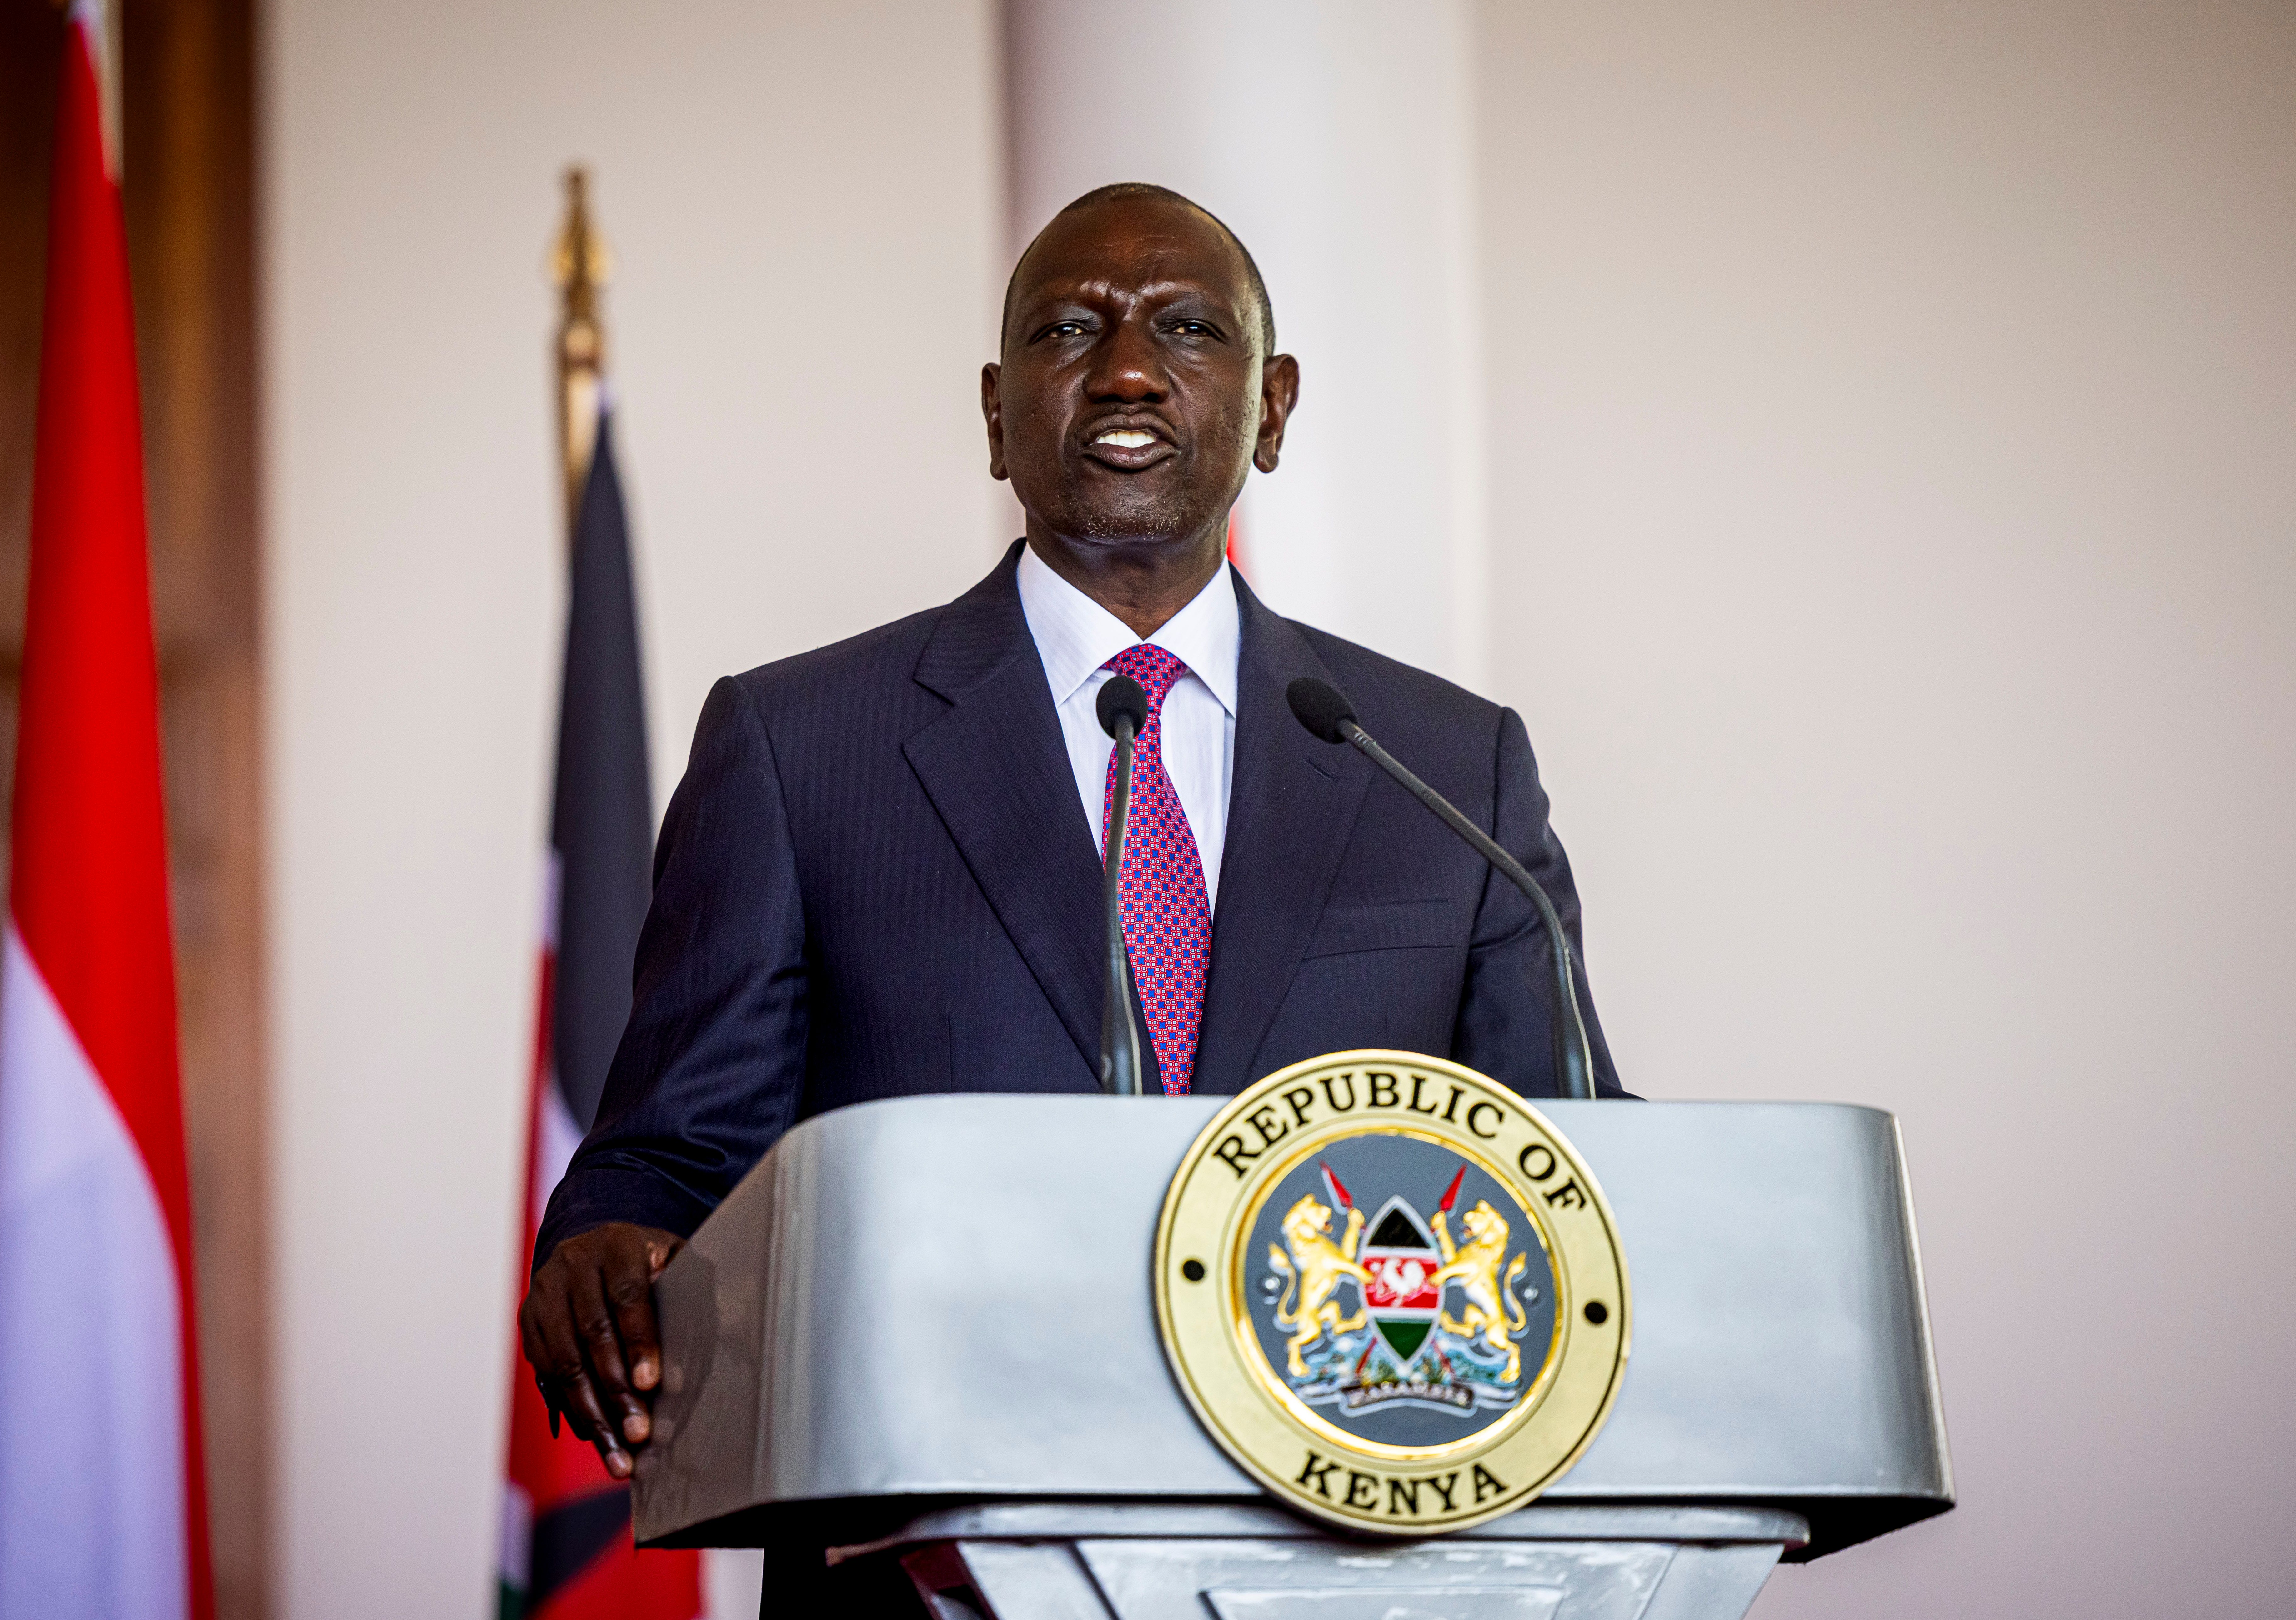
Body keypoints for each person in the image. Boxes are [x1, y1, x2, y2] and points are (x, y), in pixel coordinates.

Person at [518, 182, 1623, 1608]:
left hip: (1363, 1564)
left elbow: (1578, 1175)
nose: (1126, 370)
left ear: (1273, 408)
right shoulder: (798, 748)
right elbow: (666, 1164)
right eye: (1067, 330)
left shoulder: (1446, 767)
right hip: (926, 1572)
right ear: (997, 414)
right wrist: (604, 1245)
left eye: (1188, 330)